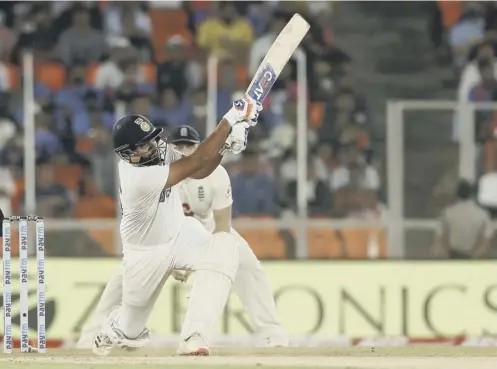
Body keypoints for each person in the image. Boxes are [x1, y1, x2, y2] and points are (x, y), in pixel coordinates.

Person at [78, 125, 287, 350]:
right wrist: (227, 132)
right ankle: (93, 335)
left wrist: (198, 261)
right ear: (170, 147)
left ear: (198, 147)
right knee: (122, 277)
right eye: (179, 145)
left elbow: (223, 226)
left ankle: (270, 333)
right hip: (160, 240)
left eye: (190, 145)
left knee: (243, 261)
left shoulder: (215, 174)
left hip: (206, 231)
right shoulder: (154, 169)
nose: (184, 149)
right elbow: (194, 164)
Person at [433, 179, 493, 259]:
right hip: (473, 257)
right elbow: (486, 239)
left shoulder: (448, 212)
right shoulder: (482, 214)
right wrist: (476, 255)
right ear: (473, 194)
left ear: (456, 194)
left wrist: (444, 255)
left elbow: (439, 236)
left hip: (452, 256)